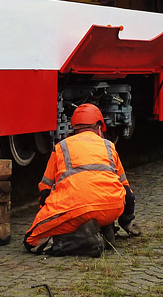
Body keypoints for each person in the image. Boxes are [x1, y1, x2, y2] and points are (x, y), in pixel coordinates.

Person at [23, 104, 140, 252]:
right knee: (100, 212)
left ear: (75, 130)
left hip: (77, 210)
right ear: (99, 128)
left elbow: (45, 191)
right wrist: (127, 221)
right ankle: (105, 228)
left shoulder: (61, 147)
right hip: (111, 208)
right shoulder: (109, 146)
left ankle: (85, 239)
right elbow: (127, 192)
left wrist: (49, 216)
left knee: (31, 241)